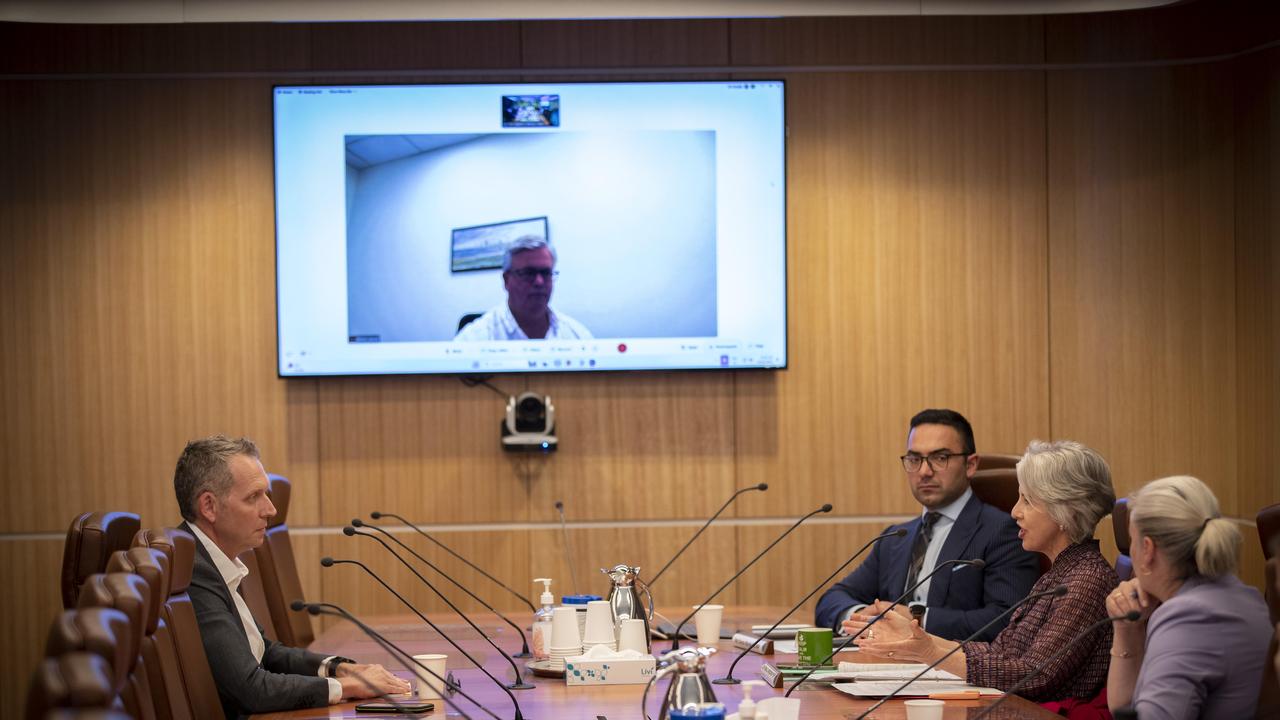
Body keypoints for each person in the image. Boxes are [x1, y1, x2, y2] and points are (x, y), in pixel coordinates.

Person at [850, 440, 1118, 704]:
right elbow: (1001, 652)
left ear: (1064, 510)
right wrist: (918, 639)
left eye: (1027, 500)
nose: (1015, 512)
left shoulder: (1087, 580)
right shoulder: (1060, 574)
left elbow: (1034, 677)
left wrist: (930, 652)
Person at [173, 436, 412, 719]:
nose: (270, 510)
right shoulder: (194, 570)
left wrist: (338, 668)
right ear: (209, 506)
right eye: (253, 497)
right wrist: (345, 687)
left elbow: (265, 653)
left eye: (267, 494)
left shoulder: (210, 559)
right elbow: (252, 688)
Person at [814, 409, 1040, 641]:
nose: (924, 471)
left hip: (953, 670)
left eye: (939, 458)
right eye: (914, 459)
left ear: (970, 465)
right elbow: (831, 600)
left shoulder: (1003, 531)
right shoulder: (894, 538)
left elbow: (1007, 619)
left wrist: (917, 619)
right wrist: (863, 618)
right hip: (884, 666)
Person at [1105, 475, 1271, 719]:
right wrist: (1126, 629)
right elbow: (1124, 706)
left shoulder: (1189, 618)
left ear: (1148, 549)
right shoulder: (1245, 595)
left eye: (1132, 541)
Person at [454, 236, 592, 340]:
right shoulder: (474, 339)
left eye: (545, 273)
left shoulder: (577, 336)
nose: (539, 282)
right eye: (528, 273)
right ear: (506, 280)